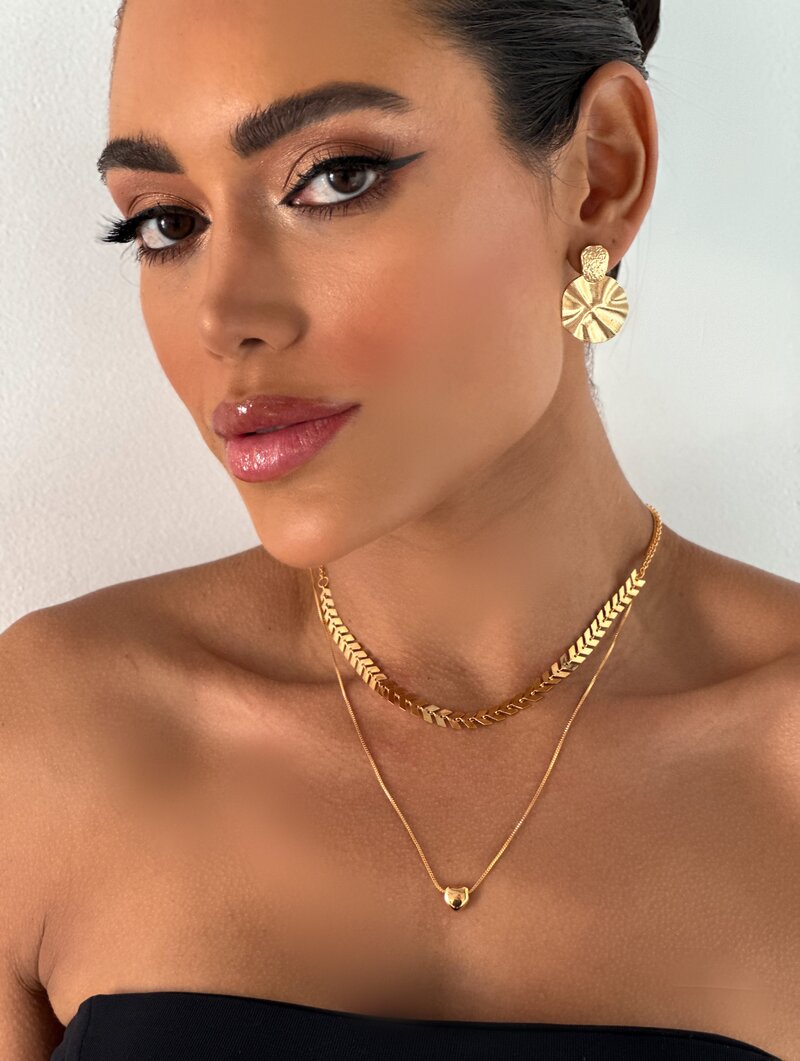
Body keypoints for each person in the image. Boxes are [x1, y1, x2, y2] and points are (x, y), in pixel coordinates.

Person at [1, 0, 797, 1057]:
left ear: (600, 176)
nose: (223, 318)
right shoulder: (50, 729)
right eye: (167, 223)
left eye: (334, 178)